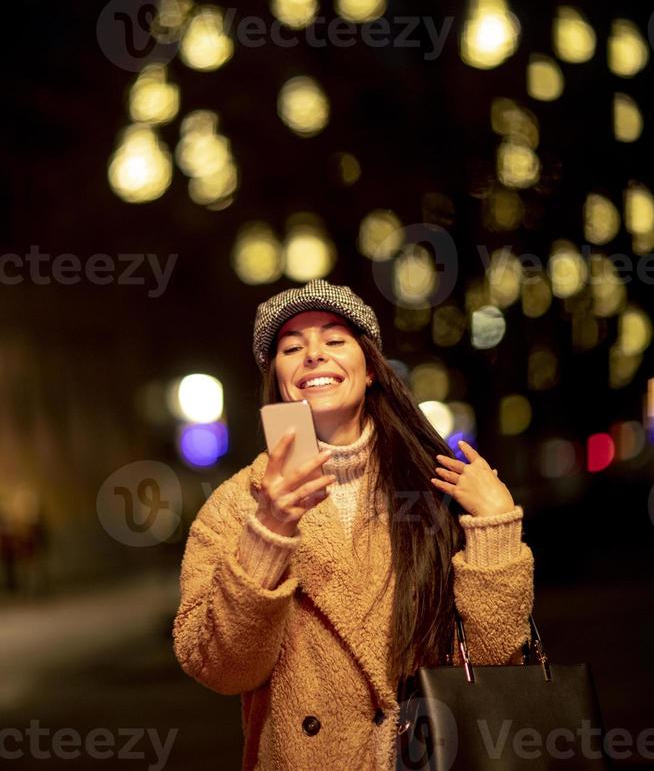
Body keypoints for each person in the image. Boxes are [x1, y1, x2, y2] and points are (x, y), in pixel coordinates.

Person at [173, 280, 534, 771]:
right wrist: (268, 531)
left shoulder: (436, 486)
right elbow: (221, 667)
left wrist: (493, 525)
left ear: (369, 372)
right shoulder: (236, 504)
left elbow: (495, 661)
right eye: (292, 348)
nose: (314, 356)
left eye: (336, 340)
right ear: (277, 378)